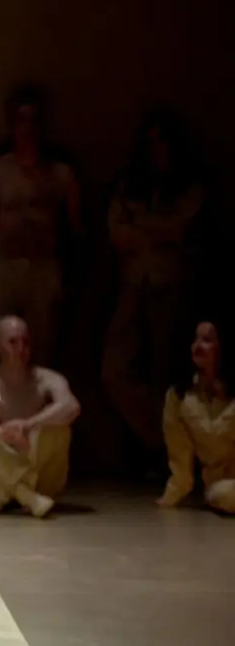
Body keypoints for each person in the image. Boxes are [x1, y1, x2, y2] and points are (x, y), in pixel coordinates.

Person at [102, 111, 205, 470]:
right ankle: (156, 437)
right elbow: (118, 233)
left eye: (164, 140)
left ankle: (169, 456)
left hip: (172, 287)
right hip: (134, 286)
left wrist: (142, 228)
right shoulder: (129, 186)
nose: (158, 148)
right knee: (115, 369)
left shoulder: (189, 185)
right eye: (152, 141)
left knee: (167, 373)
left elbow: (180, 227)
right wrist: (158, 233)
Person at [0, 86, 80, 366]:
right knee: (1, 342)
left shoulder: (61, 173)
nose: (28, 128)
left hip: (43, 268)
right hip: (5, 266)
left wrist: (69, 273)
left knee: (43, 344)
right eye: (22, 119)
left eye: (34, 119)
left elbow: (77, 229)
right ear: (11, 124)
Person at [0, 315, 80, 517]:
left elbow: (71, 406)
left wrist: (28, 425)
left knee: (59, 429)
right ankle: (26, 496)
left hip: (40, 474)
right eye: (13, 342)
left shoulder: (46, 378)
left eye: (25, 342)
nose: (21, 349)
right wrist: (2, 432)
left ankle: (5, 495)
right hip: (1, 467)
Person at [158, 320, 234, 516]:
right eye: (194, 340)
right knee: (220, 493)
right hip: (221, 488)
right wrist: (168, 500)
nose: (197, 346)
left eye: (206, 340)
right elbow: (180, 459)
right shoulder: (179, 396)